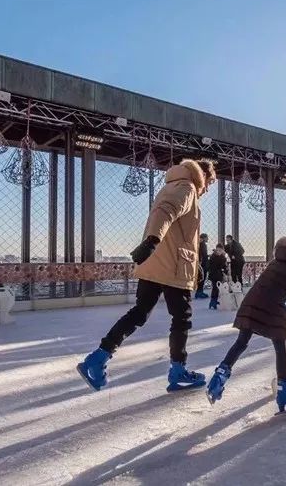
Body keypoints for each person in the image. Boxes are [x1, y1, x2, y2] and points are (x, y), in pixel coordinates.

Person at [77, 159, 217, 391]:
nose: (208, 188)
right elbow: (166, 211)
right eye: (209, 182)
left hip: (156, 264)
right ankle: (178, 370)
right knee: (182, 318)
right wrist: (151, 241)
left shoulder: (171, 184)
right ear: (202, 175)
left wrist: (195, 264)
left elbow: (173, 226)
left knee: (139, 313)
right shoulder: (188, 188)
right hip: (173, 266)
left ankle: (98, 357)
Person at [206, 226, 286, 413]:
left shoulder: (277, 260)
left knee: (241, 342)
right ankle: (284, 391)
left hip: (252, 301)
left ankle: (220, 375)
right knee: (281, 346)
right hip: (272, 306)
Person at [207, 244, 229, 310]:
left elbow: (224, 267)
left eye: (220, 250)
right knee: (216, 288)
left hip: (216, 275)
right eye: (217, 250)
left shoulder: (216, 257)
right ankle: (213, 302)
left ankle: (213, 301)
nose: (218, 251)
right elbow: (223, 267)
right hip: (216, 275)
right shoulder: (216, 257)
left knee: (216, 288)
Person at [194, 234, 210, 299]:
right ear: (204, 238)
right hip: (203, 264)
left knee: (199, 278)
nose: (208, 239)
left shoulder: (198, 244)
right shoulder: (203, 245)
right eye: (207, 238)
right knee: (202, 278)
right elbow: (204, 255)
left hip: (199, 263)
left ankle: (199, 292)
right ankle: (199, 292)